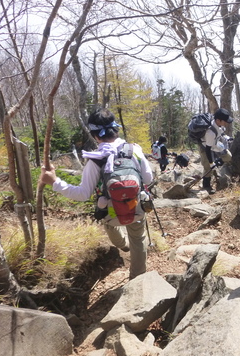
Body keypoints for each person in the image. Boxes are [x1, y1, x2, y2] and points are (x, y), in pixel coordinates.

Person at [39, 108, 154, 280]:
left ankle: (123, 245)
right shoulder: (134, 150)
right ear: (116, 129)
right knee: (138, 238)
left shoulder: (95, 160)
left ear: (95, 135)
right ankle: (137, 279)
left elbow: (82, 194)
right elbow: (148, 178)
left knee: (111, 224)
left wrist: (55, 182)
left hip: (111, 213)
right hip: (136, 208)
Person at [198, 108, 233, 194]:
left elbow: (221, 132)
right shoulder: (210, 133)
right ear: (218, 120)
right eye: (224, 121)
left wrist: (227, 138)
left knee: (228, 156)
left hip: (215, 144)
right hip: (205, 148)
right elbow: (207, 149)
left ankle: (217, 163)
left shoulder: (218, 125)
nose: (226, 123)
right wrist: (211, 163)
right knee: (207, 168)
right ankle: (206, 187)